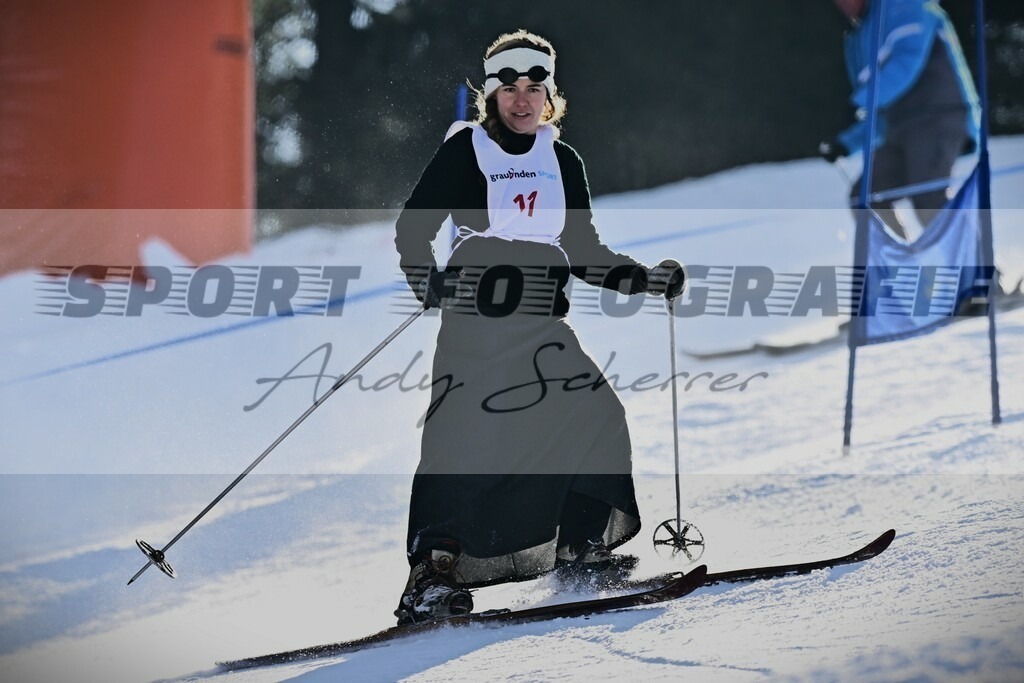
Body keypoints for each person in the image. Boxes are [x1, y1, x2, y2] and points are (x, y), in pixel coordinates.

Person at [392, 29, 685, 625]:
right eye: (509, 89)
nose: (522, 100)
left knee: (595, 413)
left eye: (534, 88)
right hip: (477, 324)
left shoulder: (563, 161)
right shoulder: (465, 151)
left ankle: (580, 545)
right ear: (492, 95)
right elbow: (411, 231)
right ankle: (431, 576)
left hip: (539, 324)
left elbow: (582, 249)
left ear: (550, 94)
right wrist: (431, 284)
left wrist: (646, 280)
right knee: (464, 441)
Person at [819, 0, 979, 240]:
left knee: (928, 197)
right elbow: (877, 108)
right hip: (899, 130)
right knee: (866, 198)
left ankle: (980, 272)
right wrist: (847, 142)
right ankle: (904, 271)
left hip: (938, 118)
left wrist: (860, 102)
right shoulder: (859, 37)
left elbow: (905, 63)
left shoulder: (905, 5)